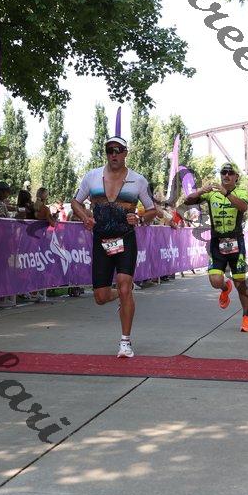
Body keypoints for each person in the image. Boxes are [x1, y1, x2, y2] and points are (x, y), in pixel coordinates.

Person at [71, 136, 156, 357]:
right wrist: (85, 218)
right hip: (101, 241)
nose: (114, 154)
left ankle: (125, 342)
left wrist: (139, 218)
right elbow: (75, 202)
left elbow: (152, 210)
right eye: (110, 150)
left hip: (125, 239)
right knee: (100, 297)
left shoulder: (138, 180)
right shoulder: (92, 177)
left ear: (126, 152)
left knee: (125, 286)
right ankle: (122, 295)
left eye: (118, 150)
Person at [184, 161, 248, 333]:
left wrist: (227, 193)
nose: (226, 175)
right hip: (217, 242)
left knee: (240, 282)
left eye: (230, 173)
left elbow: (243, 207)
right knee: (215, 281)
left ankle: (247, 317)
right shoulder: (212, 194)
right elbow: (187, 201)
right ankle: (225, 287)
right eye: (224, 172)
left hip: (236, 241)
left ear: (236, 177)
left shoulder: (241, 192)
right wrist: (201, 191)